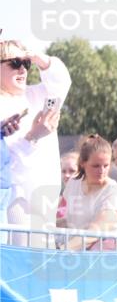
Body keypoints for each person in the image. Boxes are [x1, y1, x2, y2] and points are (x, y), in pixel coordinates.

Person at [0, 39, 70, 245]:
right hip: (16, 194)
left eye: (26, 63)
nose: (22, 69)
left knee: (42, 262)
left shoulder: (38, 94)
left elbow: (62, 81)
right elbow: (5, 158)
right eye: (14, 63)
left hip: (45, 192)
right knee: (21, 258)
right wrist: (32, 137)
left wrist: (40, 58)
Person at [57, 135, 117, 250]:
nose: (102, 171)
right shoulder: (73, 184)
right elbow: (70, 221)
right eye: (96, 166)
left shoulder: (114, 192)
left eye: (106, 165)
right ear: (82, 163)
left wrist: (61, 250)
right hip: (74, 256)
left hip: (104, 260)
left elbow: (95, 232)